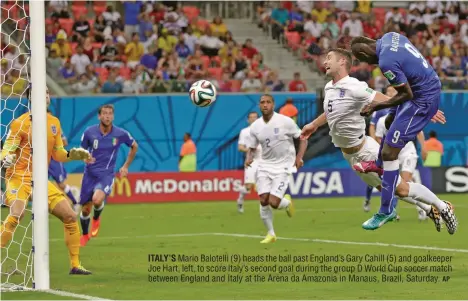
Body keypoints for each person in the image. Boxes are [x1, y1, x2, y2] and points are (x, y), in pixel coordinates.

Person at [301, 49, 455, 234]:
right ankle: (430, 209)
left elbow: (390, 100)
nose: (325, 61)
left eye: (329, 58)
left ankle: (442, 206)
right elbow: (332, 112)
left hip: (365, 150)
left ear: (342, 61)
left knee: (401, 189)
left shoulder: (355, 86)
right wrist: (314, 124)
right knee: (389, 190)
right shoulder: (329, 87)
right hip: (350, 156)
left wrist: (423, 109)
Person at [349, 32, 457, 233]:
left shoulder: (385, 61)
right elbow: (410, 71)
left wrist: (374, 107)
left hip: (420, 98)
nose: (370, 64)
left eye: (364, 60)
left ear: (364, 51)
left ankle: (386, 209)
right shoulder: (391, 37)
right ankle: (379, 165)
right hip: (424, 88)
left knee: (390, 152)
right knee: (389, 121)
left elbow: (406, 93)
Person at [0, 88, 92, 274]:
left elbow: (57, 152)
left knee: (69, 216)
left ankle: (75, 265)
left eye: (48, 92)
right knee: (17, 214)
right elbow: (7, 148)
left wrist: (71, 154)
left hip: (41, 180)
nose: (47, 95)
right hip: (19, 177)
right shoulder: (20, 123)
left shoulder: (54, 123)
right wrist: (6, 158)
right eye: (43, 92)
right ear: (31, 98)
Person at [246, 94, 308, 243]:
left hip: (283, 167)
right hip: (264, 166)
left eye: (268, 102)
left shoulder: (285, 122)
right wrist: (249, 157)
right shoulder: (255, 127)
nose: (265, 105)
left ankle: (286, 202)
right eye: (262, 102)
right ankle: (271, 234)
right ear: (259, 106)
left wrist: (299, 157)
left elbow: (303, 138)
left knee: (274, 203)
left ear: (273, 104)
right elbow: (252, 147)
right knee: (263, 200)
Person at [79, 104, 138, 246]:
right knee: (86, 210)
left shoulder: (120, 133)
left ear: (113, 116)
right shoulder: (89, 132)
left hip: (106, 174)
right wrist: (84, 157)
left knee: (97, 200)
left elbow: (134, 146)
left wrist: (125, 166)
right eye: (104, 113)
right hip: (89, 175)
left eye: (110, 113)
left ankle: (97, 218)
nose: (107, 116)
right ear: (99, 116)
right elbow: (81, 150)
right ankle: (85, 234)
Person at [48, 131, 81, 213]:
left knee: (61, 185)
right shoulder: (37, 127)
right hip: (43, 161)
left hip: (54, 161)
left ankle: (75, 202)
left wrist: (53, 144)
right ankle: (45, 208)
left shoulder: (55, 127)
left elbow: (65, 142)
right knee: (42, 185)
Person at [237, 112, 261, 213]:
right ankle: (240, 200)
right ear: (248, 120)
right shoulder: (244, 132)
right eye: (251, 118)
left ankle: (265, 208)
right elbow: (240, 147)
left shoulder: (264, 130)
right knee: (248, 188)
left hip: (263, 160)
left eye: (255, 117)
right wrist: (249, 150)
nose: (253, 119)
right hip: (251, 161)